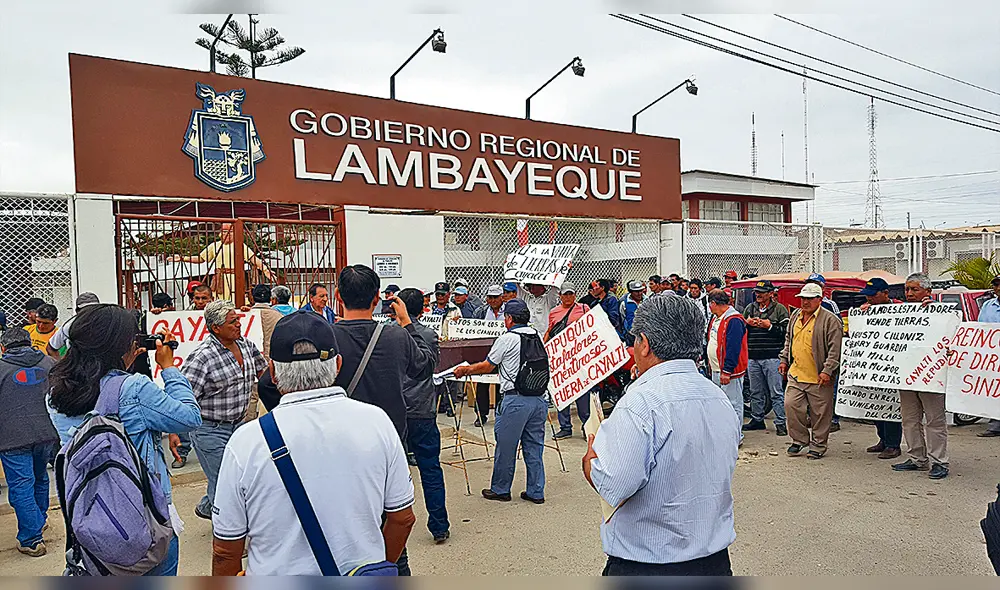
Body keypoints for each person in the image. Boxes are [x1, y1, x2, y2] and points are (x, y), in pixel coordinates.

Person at [211, 311, 416, 575]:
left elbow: (226, 550)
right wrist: (376, 568)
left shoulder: (247, 442)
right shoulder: (377, 423)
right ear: (338, 365)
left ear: (272, 372)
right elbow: (402, 518)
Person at [583, 295, 740, 576]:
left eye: (634, 342)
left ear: (644, 344)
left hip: (649, 565)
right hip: (714, 564)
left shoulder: (640, 402)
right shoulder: (718, 398)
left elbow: (615, 485)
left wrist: (590, 461)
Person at [48, 304, 200, 575]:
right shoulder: (134, 388)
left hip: (89, 517)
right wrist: (168, 367)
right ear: (117, 346)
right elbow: (189, 417)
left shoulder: (56, 392)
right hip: (145, 516)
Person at [454, 299, 548, 504]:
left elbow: (488, 366)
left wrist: (467, 369)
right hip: (538, 400)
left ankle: (501, 489)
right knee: (534, 447)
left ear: (510, 318)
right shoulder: (537, 336)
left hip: (515, 401)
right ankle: (536, 491)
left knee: (506, 447)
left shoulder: (507, 339)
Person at [182, 300, 268, 520]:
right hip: (210, 430)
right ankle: (225, 538)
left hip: (239, 427)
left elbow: (264, 375)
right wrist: (176, 432)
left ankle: (208, 507)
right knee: (225, 484)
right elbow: (184, 397)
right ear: (216, 328)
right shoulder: (202, 357)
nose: (239, 324)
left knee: (238, 479)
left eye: (238, 319)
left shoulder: (247, 346)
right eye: (233, 322)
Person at [332, 265, 437, 440]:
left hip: (342, 433)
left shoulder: (326, 337)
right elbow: (425, 367)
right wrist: (407, 323)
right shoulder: (397, 336)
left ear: (338, 295)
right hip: (389, 433)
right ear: (376, 297)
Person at [0, 328, 59, 557]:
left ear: (4, 348)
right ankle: (38, 520)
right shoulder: (50, 364)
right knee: (40, 477)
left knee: (21, 485)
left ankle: (31, 539)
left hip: (12, 439)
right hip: (46, 434)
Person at [397, 288, 450, 543]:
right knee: (430, 468)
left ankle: (391, 523)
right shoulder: (429, 335)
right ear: (422, 308)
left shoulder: (389, 335)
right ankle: (439, 525)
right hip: (423, 408)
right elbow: (433, 365)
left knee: (391, 470)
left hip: (396, 409)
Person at [891, 273, 950, 479]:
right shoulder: (900, 312)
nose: (909, 294)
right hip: (907, 375)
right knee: (909, 419)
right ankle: (917, 457)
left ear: (928, 291)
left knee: (934, 420)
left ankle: (939, 461)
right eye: (907, 289)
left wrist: (935, 309)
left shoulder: (942, 312)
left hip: (931, 375)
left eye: (914, 289)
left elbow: (953, 331)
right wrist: (867, 314)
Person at [778, 283, 843, 459]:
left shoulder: (830, 320)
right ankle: (799, 440)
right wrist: (784, 359)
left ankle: (819, 444)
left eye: (809, 299)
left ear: (819, 300)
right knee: (791, 405)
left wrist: (827, 370)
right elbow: (788, 340)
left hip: (819, 375)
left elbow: (835, 349)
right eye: (803, 299)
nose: (805, 302)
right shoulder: (795, 316)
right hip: (796, 373)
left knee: (820, 413)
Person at [856, 277, 904, 459]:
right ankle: (883, 439)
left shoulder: (900, 308)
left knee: (890, 405)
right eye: (867, 296)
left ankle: (893, 444)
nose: (869, 299)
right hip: (873, 365)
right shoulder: (867, 310)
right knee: (876, 404)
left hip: (892, 367)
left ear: (885, 293)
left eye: (873, 295)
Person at [168, 222, 274, 301]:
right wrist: (183, 258)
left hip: (235, 278)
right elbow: (201, 258)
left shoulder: (240, 246)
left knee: (236, 299)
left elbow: (253, 259)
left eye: (230, 231)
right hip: (220, 279)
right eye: (224, 231)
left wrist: (265, 269)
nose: (226, 233)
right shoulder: (214, 246)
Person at [742, 280, 790, 436]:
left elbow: (786, 332)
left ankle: (781, 422)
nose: (758, 295)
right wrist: (747, 323)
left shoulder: (780, 310)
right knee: (755, 391)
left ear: (771, 293)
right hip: (753, 357)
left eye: (762, 292)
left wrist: (768, 326)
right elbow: (741, 328)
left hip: (772, 357)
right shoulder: (750, 308)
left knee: (776, 392)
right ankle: (757, 419)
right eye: (757, 292)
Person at [547, 283, 591, 440]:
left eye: (570, 294)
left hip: (580, 358)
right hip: (560, 359)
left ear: (575, 294)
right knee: (562, 392)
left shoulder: (584, 309)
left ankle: (587, 426)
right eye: (565, 294)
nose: (567, 297)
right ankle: (565, 427)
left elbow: (592, 330)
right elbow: (550, 332)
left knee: (582, 392)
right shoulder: (554, 312)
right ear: (559, 295)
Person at [706, 289, 748, 440]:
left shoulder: (734, 319)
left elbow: (733, 347)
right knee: (720, 404)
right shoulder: (716, 318)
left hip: (729, 371)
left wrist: (727, 370)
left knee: (733, 403)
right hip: (717, 369)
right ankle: (724, 435)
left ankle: (736, 436)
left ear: (713, 303)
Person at [977, 276, 1000, 438]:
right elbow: (980, 328)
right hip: (992, 356)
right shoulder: (987, 306)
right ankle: (995, 424)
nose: (998, 288)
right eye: (996, 285)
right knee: (994, 389)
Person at [45, 292, 100, 358]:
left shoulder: (106, 323)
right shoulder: (69, 326)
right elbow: (51, 348)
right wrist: (60, 365)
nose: (89, 312)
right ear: (77, 311)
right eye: (85, 310)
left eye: (92, 309)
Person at [619, 280, 645, 346]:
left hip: (646, 335)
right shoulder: (624, 304)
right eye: (636, 291)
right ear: (631, 292)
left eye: (641, 290)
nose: (639, 293)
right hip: (631, 337)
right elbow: (622, 319)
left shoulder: (648, 302)